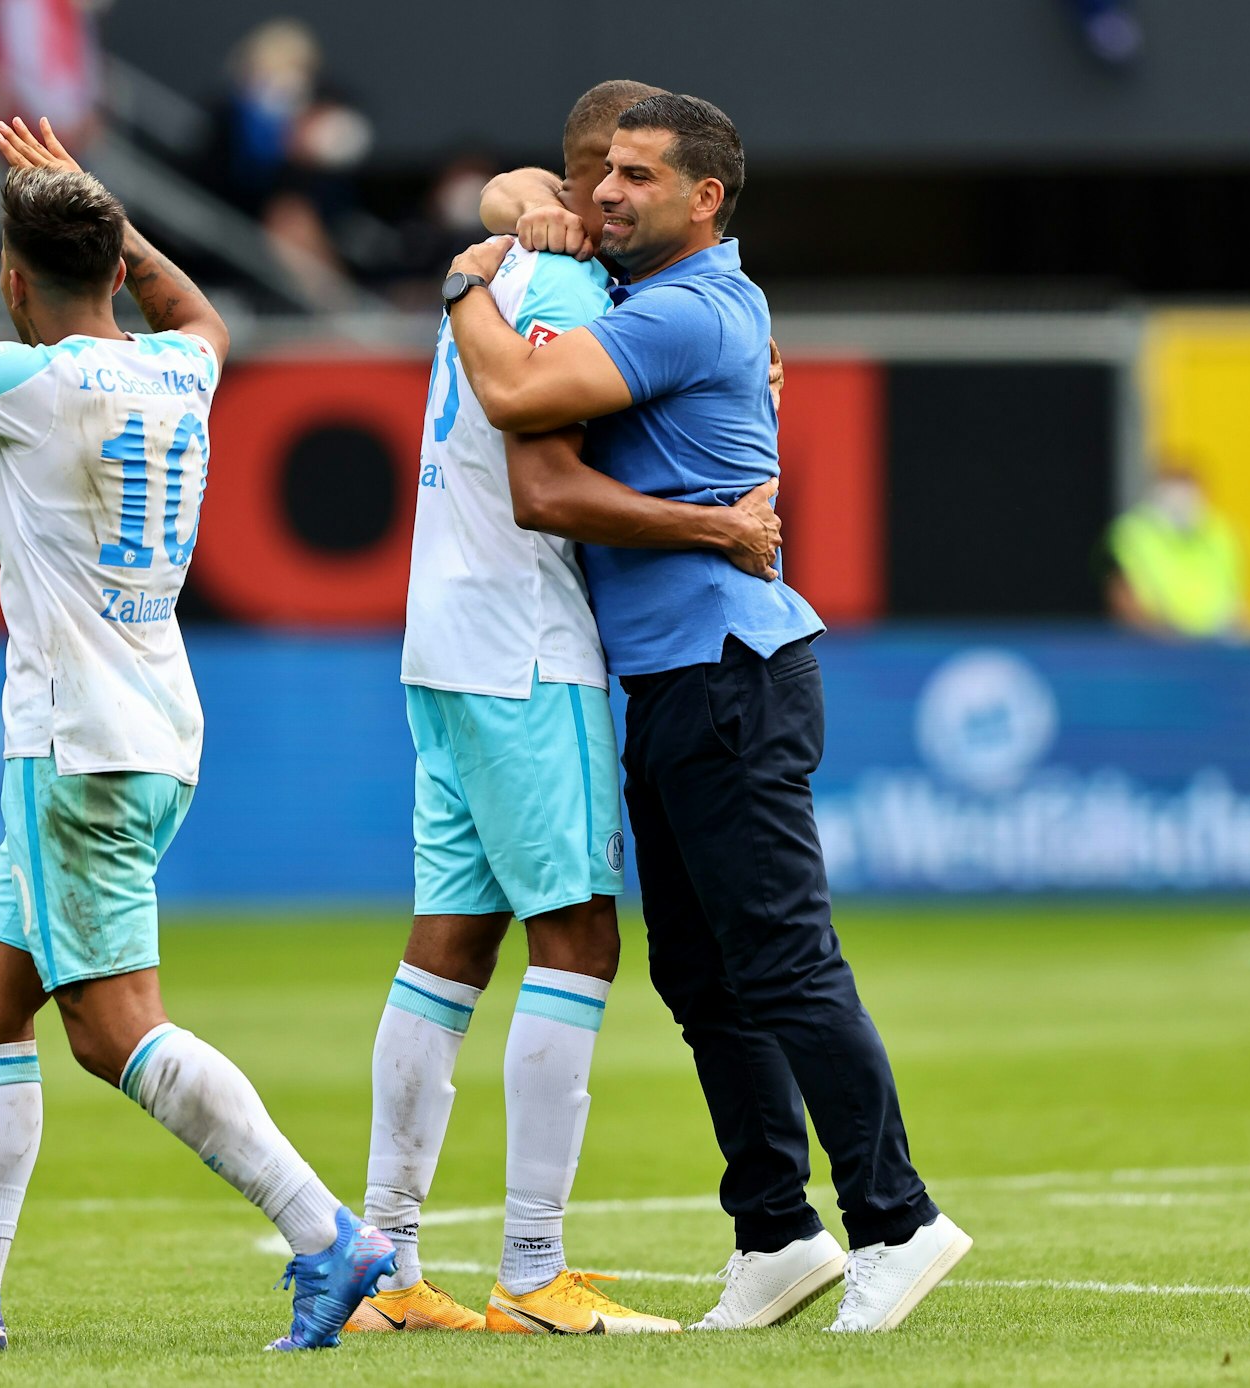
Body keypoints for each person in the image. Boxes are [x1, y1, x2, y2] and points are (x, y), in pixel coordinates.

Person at [0, 118, 394, 1353]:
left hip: (76, 744)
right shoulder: (187, 364)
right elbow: (204, 312)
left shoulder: (30, 380)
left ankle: (327, 1234)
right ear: (119, 267)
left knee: (112, 1026)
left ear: (13, 282)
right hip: (157, 720)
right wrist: (102, 207)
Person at [446, 92, 969, 1334]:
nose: (608, 193)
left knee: (781, 957)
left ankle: (897, 1217)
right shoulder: (666, 291)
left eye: (637, 176)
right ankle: (778, 1230)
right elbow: (523, 184)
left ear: (706, 200)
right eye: (603, 173)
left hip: (730, 671)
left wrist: (466, 282)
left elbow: (520, 399)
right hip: (685, 677)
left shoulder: (686, 309)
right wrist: (522, 207)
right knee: (701, 969)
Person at [350, 78, 785, 1339]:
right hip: (530, 646)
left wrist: (493, 223)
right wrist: (717, 519)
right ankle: (534, 1270)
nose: (616, 200)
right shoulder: (571, 287)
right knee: (581, 942)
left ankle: (387, 1268)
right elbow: (546, 477)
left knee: (447, 948)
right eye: (613, 177)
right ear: (588, 182)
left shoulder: (495, 275)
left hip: (442, 636)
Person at [1104, 461, 1246, 638]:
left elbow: (1235, 593)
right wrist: (1156, 635)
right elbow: (1121, 594)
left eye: (1188, 491)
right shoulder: (1133, 533)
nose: (1182, 500)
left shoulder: (1220, 532)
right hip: (1160, 642)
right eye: (1175, 491)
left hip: (1216, 639)